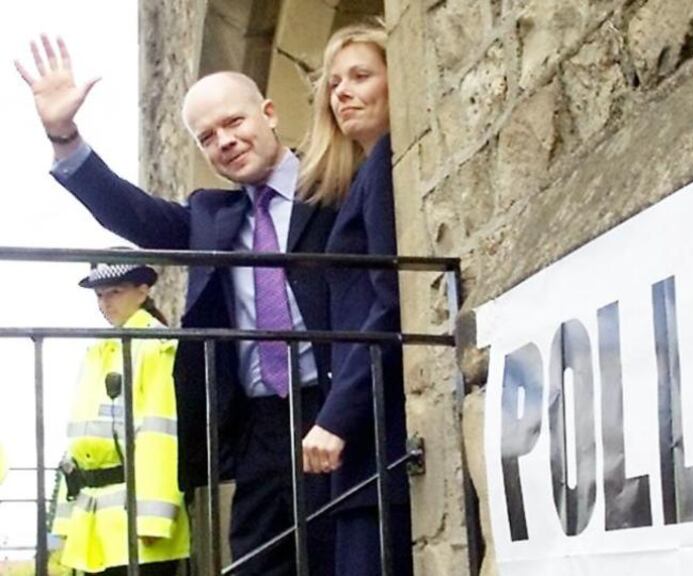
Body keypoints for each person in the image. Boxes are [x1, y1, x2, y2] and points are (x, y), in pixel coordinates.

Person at [15, 36, 336, 574]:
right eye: (208, 137)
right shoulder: (210, 216)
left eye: (234, 123)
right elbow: (131, 214)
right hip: (258, 427)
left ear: (270, 112)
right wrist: (64, 136)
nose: (225, 142)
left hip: (333, 404)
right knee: (259, 564)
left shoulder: (331, 186)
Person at [297, 20, 413, 576]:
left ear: (399, 80)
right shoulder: (365, 175)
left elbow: (393, 303)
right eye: (334, 83)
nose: (341, 91)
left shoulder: (389, 161)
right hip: (366, 437)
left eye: (361, 75)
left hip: (377, 431)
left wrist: (336, 417)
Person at [51, 262, 189, 575]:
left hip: (136, 519)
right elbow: (78, 440)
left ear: (143, 292)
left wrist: (155, 517)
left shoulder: (155, 345)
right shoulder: (99, 349)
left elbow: (161, 435)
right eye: (99, 295)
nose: (105, 302)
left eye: (115, 292)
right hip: (96, 519)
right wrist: (65, 517)